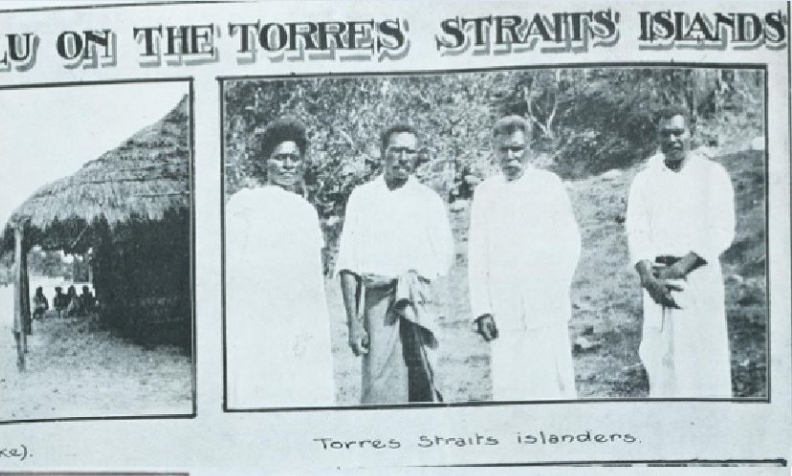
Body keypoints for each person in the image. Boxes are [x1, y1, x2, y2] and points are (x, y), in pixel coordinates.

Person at [337, 123, 454, 404]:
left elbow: (444, 257)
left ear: (417, 157)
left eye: (410, 152)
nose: (403, 158)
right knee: (380, 390)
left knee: (423, 386)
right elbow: (348, 263)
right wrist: (354, 324)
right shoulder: (362, 197)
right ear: (382, 153)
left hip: (417, 302)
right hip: (378, 307)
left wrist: (413, 277)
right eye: (396, 151)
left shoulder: (429, 200)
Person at [469, 115, 581, 401]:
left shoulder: (549, 185)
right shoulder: (485, 194)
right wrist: (482, 309)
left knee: (553, 387)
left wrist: (554, 287)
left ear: (529, 149)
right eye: (503, 149)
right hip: (505, 311)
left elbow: (570, 243)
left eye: (517, 149)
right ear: (494, 150)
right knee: (510, 389)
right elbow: (477, 256)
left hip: (545, 307)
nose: (510, 156)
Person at [626, 108, 736, 398]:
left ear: (691, 132)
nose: (673, 140)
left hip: (697, 278)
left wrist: (679, 270)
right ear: (657, 137)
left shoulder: (712, 175)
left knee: (703, 362)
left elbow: (720, 230)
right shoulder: (645, 180)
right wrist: (648, 278)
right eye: (665, 134)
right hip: (657, 283)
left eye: (679, 132)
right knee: (662, 362)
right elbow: (636, 231)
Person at [226, 118, 335, 409]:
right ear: (266, 162)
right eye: (280, 158)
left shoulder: (306, 212)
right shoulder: (245, 204)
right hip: (258, 313)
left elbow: (313, 277)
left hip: (297, 313)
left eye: (294, 158)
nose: (288, 165)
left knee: (298, 386)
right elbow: (233, 267)